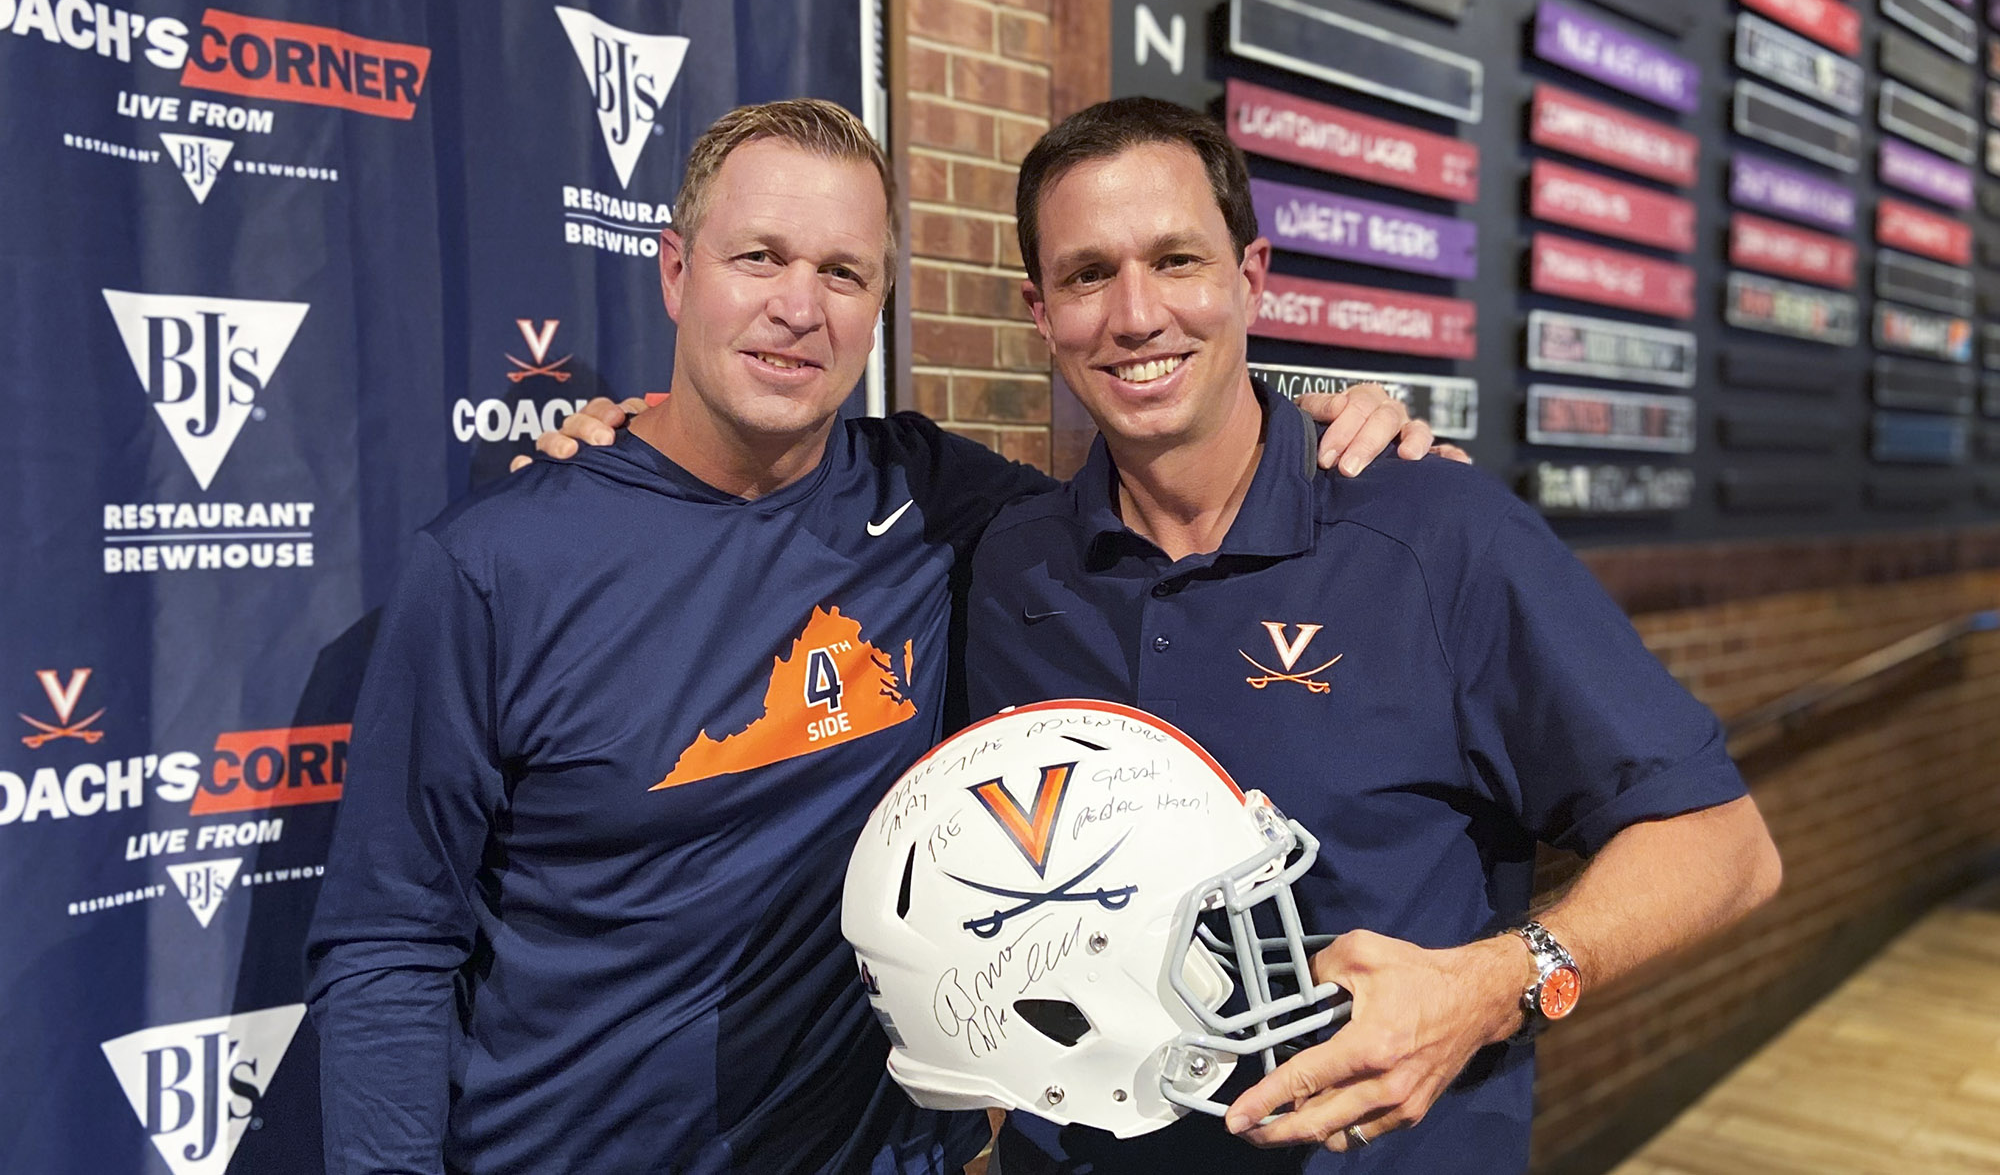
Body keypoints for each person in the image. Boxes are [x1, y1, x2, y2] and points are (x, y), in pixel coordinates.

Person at [305, 98, 1436, 1175]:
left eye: (842, 272)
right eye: (759, 257)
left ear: (880, 302)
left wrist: (1310, 421)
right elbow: (390, 942)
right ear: (674, 270)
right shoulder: (496, 564)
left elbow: (1166, 478)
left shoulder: (937, 500)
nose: (799, 306)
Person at [959, 98, 1784, 1174]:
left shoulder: (1435, 533)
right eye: (1084, 275)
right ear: (1037, 309)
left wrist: (1493, 985)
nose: (1134, 312)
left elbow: (1725, 847)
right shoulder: (1001, 564)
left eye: (1175, 259)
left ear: (1250, 276)